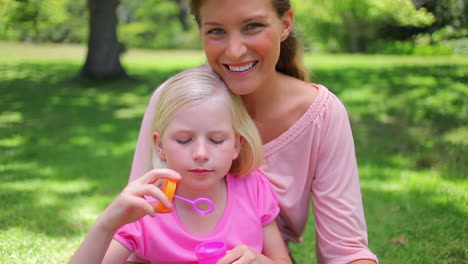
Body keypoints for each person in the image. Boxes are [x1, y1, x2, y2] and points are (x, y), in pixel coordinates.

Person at [129, 0, 379, 263]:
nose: (235, 51)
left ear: (285, 24)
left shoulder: (322, 114)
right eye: (216, 31)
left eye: (253, 26)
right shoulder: (173, 101)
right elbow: (137, 219)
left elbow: (346, 251)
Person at [69, 65, 292, 264]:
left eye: (216, 140)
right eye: (184, 140)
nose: (201, 154)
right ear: (159, 145)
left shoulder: (252, 188)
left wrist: (260, 261)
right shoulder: (146, 208)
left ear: (236, 145)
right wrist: (106, 224)